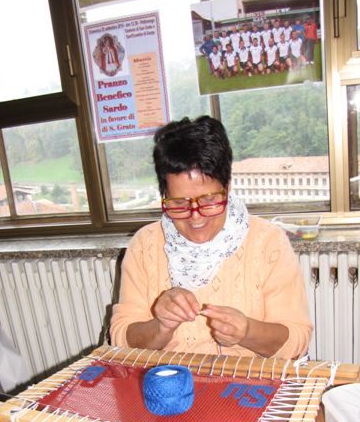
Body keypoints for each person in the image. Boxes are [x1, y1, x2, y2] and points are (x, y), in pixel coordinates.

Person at [110, 116, 313, 359]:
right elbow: (121, 339)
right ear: (164, 194)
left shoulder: (268, 242)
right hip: (172, 385)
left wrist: (248, 332)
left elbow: (297, 340)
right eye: (179, 203)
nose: (196, 218)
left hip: (250, 387)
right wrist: (161, 326)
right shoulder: (145, 246)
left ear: (227, 187)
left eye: (208, 200)